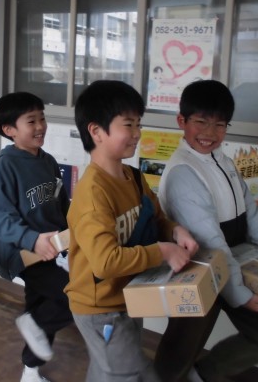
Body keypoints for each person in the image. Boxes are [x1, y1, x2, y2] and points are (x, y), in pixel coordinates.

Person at [154, 79, 258, 382]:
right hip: (199, 271)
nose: (210, 133)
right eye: (201, 122)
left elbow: (255, 220)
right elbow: (211, 242)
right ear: (182, 121)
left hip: (233, 267)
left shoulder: (224, 162)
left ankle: (203, 375)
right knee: (178, 354)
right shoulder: (184, 172)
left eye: (220, 125)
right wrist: (240, 295)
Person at [65, 80, 199, 382]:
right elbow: (105, 262)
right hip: (100, 308)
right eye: (128, 124)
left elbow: (157, 219)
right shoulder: (93, 193)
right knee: (131, 373)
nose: (137, 133)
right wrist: (162, 251)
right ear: (96, 131)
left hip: (128, 297)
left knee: (108, 370)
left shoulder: (134, 178)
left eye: (139, 124)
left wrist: (176, 232)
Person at [0, 92, 74, 382]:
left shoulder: (48, 161)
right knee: (74, 295)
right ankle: (34, 322)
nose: (40, 126)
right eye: (31, 121)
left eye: (42, 118)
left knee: (41, 305)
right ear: (9, 130)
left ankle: (30, 371)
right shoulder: (6, 166)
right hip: (23, 252)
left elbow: (61, 204)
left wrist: (71, 234)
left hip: (54, 248)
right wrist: (32, 240)